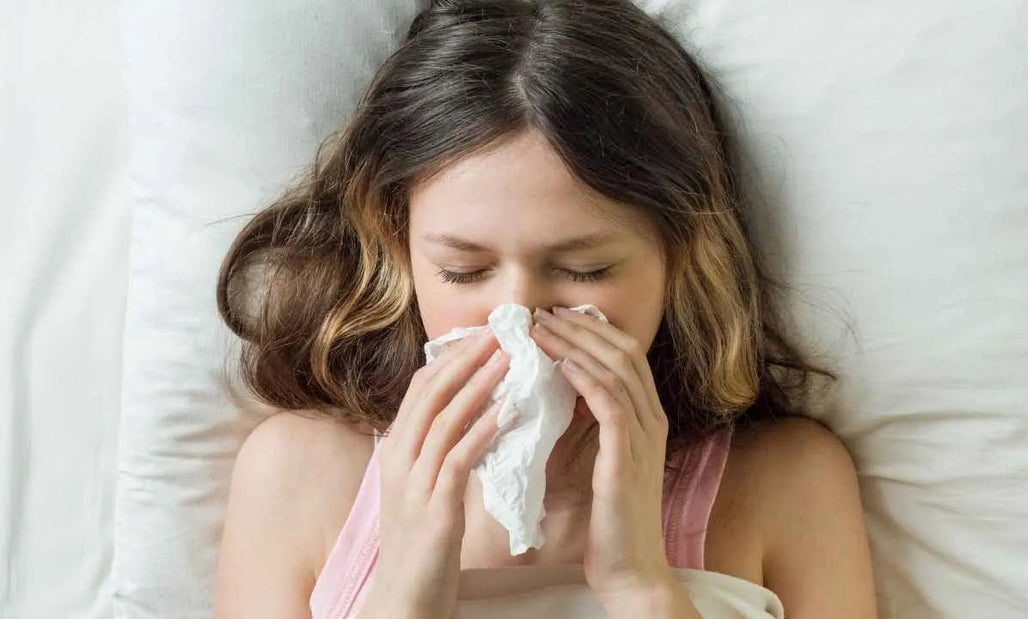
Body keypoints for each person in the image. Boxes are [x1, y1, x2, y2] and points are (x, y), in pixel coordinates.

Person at [213, 0, 877, 617]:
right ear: (399, 247)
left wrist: (641, 584)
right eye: (463, 270)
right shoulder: (296, 476)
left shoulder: (788, 485)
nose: (519, 317)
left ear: (680, 257)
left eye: (585, 269)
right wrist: (405, 592)